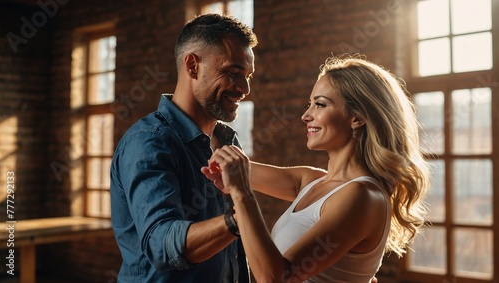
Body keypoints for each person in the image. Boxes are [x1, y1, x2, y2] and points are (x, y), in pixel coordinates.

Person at [202, 55, 430, 282]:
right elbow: (229, 167)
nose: (305, 116)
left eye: (320, 104)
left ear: (357, 118)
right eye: (309, 104)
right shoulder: (311, 181)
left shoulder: (363, 196)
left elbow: (276, 279)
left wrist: (242, 195)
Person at [110, 14, 258, 282]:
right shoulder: (149, 142)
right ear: (192, 66)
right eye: (233, 73)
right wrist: (240, 218)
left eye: (248, 76)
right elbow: (162, 246)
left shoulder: (227, 141)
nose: (245, 88)